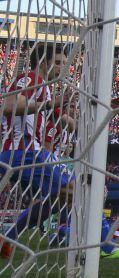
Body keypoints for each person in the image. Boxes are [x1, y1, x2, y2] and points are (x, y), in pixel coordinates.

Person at [0, 43, 75, 258]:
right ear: (44, 62)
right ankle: (70, 235)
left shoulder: (46, 88)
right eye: (58, 63)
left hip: (25, 153)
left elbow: (68, 122)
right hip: (23, 151)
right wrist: (54, 103)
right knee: (74, 190)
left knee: (59, 199)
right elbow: (10, 106)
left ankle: (9, 237)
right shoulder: (32, 78)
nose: (63, 68)